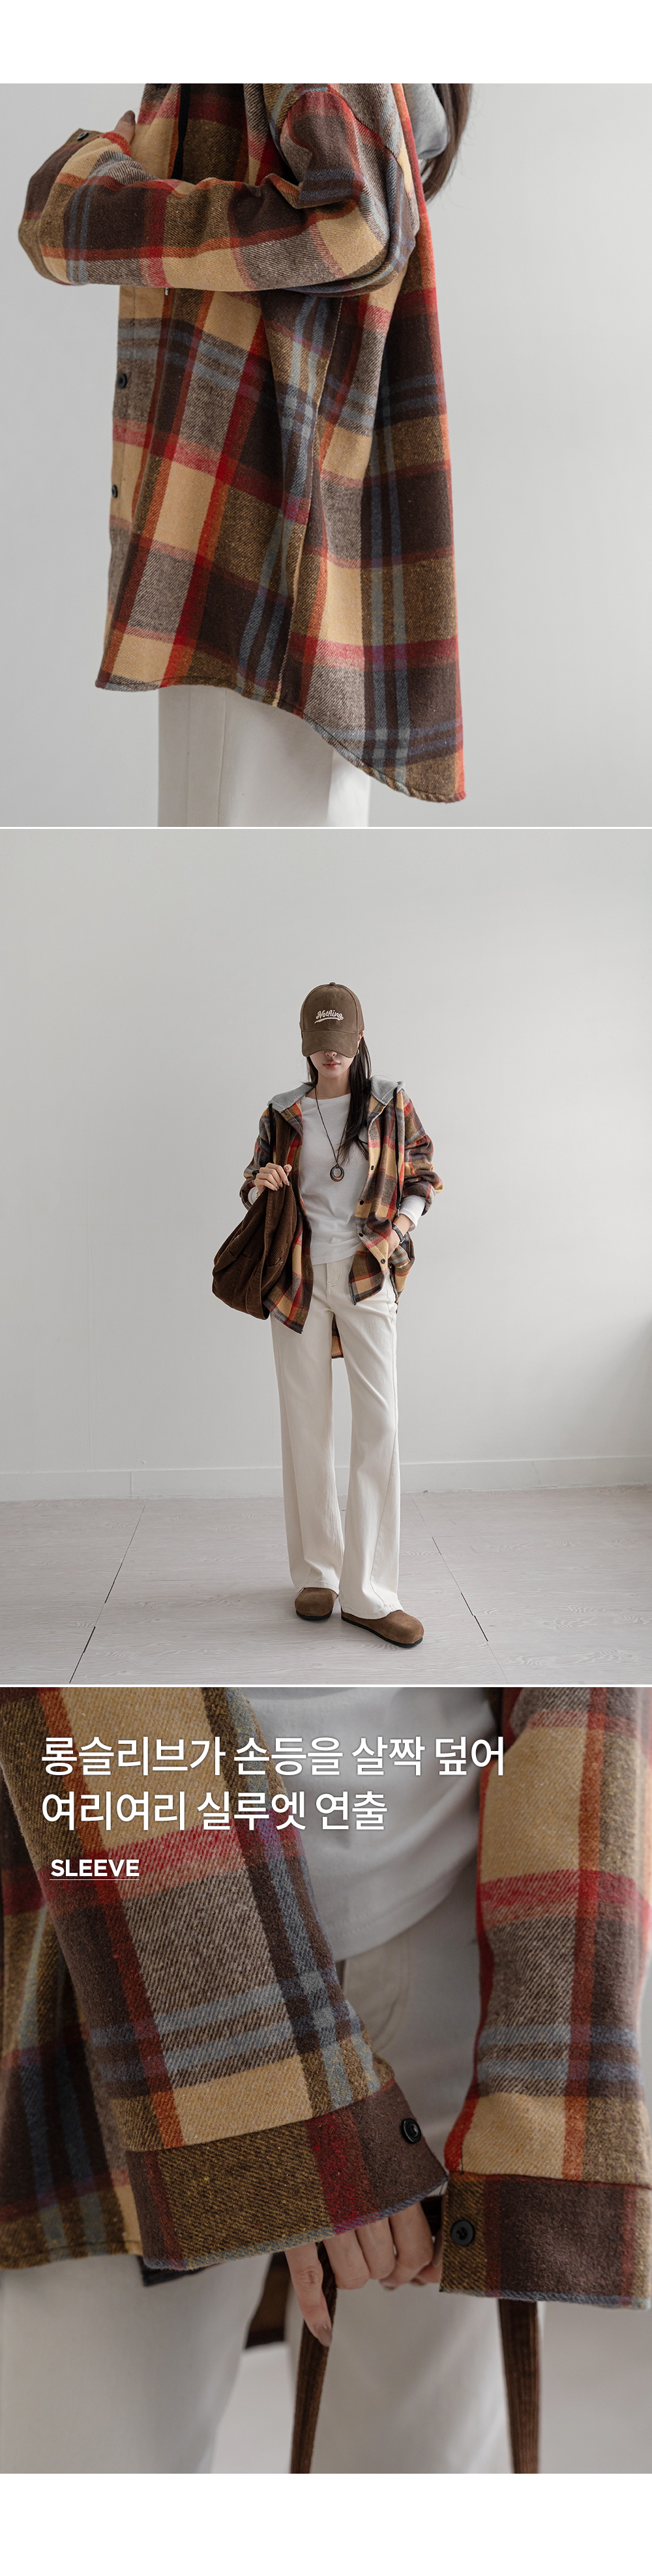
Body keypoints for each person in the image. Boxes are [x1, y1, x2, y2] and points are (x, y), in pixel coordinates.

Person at [0, 1685, 442, 2474]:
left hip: (456, 1913)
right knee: (96, 2476)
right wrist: (280, 2085)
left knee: (427, 2471)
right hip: (118, 1941)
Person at [18, 84, 470, 825]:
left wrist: (99, 202)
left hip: (254, 533)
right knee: (284, 867)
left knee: (234, 866)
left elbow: (355, 223)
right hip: (285, 527)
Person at [239, 980, 440, 1646]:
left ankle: (369, 1592)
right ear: (306, 1043)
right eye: (319, 1044)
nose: (331, 1055)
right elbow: (252, 1184)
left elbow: (422, 1174)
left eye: (341, 1042)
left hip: (365, 1275)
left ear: (359, 1037)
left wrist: (394, 1234)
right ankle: (317, 1573)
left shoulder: (389, 1102)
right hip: (296, 1280)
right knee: (306, 1426)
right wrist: (262, 1181)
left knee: (379, 1425)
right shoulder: (283, 1111)